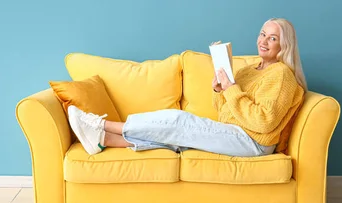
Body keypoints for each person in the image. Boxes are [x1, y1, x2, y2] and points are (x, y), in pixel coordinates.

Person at [67, 18, 308, 157]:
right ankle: (103, 138)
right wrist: (220, 90)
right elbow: (227, 113)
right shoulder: (248, 70)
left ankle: (99, 124)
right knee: (174, 134)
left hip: (254, 142)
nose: (263, 41)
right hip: (235, 133)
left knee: (178, 121)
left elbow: (263, 121)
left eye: (273, 38)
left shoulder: (281, 75)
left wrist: (231, 88)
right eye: (263, 34)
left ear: (284, 45)